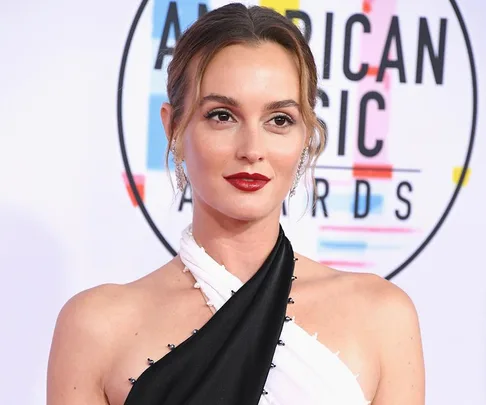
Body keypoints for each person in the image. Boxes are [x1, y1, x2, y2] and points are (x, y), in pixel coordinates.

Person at [47, 3, 425, 405]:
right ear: (173, 127)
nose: (252, 149)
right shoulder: (95, 327)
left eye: (279, 119)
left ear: (305, 136)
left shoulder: (382, 317)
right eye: (222, 115)